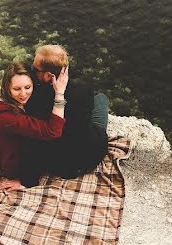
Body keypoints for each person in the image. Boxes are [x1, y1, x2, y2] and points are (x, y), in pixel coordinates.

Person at [19, 44, 109, 186]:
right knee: (100, 97)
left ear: (48, 75)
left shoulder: (34, 98)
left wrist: (27, 181)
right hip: (88, 158)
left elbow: (32, 141)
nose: (31, 71)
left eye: (34, 69)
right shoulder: (83, 90)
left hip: (57, 164)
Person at [0, 61, 67, 192]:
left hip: (0, 150)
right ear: (7, 87)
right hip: (14, 164)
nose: (23, 94)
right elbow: (53, 131)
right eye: (16, 89)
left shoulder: (3, 98)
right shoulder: (6, 116)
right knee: (100, 100)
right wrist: (59, 94)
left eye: (27, 87)